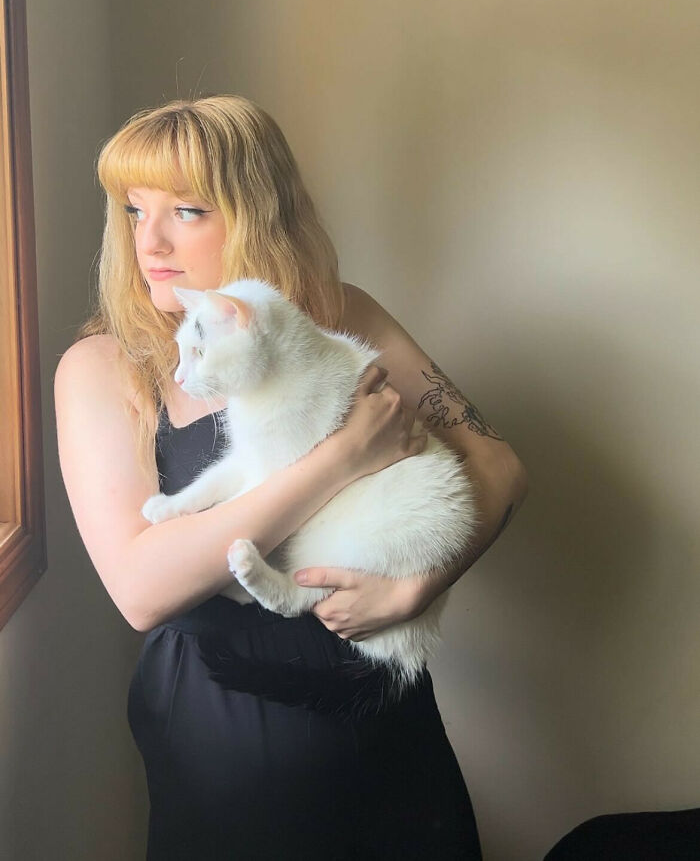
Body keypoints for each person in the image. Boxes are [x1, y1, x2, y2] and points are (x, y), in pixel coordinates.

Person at [55, 94, 528, 860]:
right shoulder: (105, 367)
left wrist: (421, 584)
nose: (154, 241)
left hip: (384, 717)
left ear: (255, 212)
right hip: (225, 730)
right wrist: (340, 459)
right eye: (136, 211)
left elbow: (498, 464)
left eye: (189, 210)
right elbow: (140, 588)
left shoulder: (346, 316)